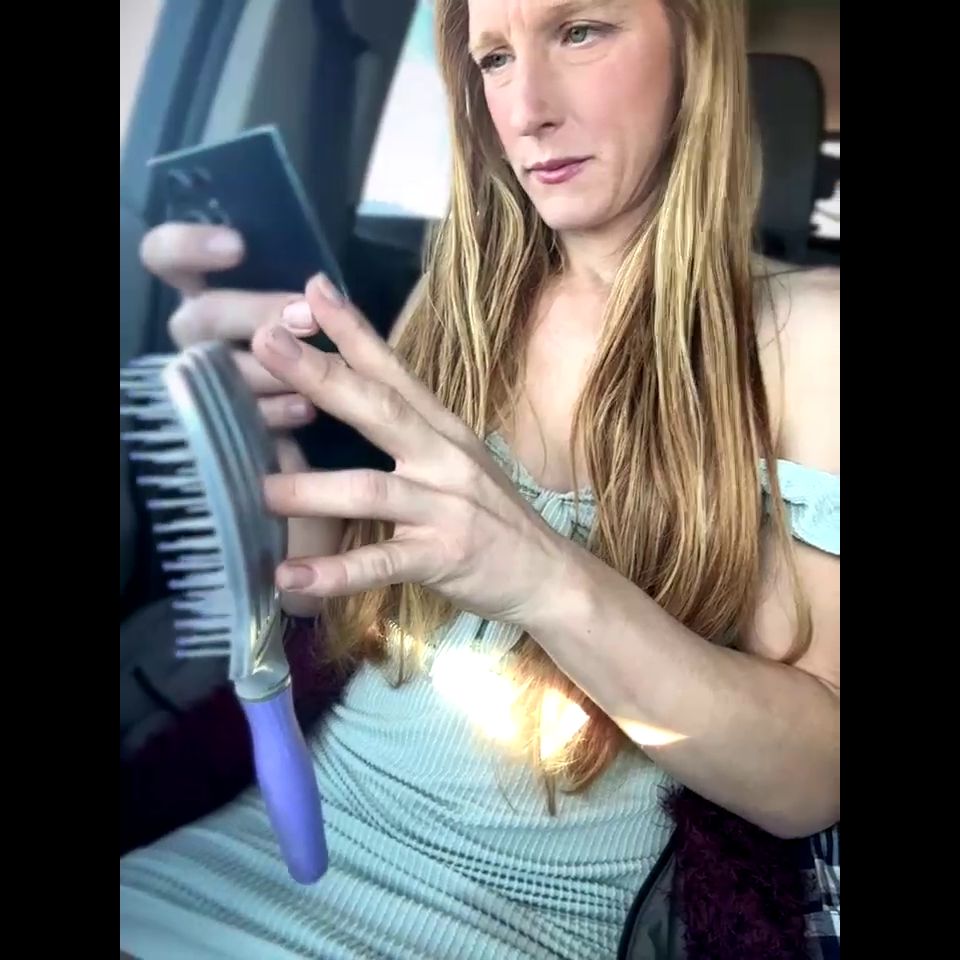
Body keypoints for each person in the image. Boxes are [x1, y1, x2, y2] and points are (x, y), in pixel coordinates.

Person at [120, 0, 840, 957]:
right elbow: (326, 598)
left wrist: (542, 577)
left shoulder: (810, 339)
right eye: (493, 58)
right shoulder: (456, 299)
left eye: (580, 32)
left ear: (693, 48)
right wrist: (259, 447)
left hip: (512, 920)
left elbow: (813, 779)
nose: (527, 109)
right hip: (266, 840)